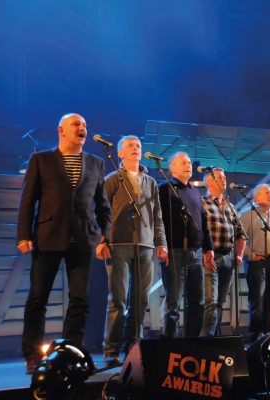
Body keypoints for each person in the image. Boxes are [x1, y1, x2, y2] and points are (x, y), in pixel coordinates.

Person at [17, 113, 112, 373]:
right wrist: (24, 235)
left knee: (80, 299)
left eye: (84, 125)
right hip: (48, 236)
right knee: (38, 298)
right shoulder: (41, 160)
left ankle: (71, 353)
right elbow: (28, 201)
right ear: (61, 130)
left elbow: (103, 206)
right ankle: (32, 355)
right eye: (76, 125)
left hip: (83, 238)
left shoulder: (96, 162)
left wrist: (104, 235)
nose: (82, 128)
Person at [103, 135, 168, 366]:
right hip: (118, 244)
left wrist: (161, 243)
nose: (136, 149)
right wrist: (102, 239)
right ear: (120, 153)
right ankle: (111, 349)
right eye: (130, 146)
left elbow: (157, 216)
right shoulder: (112, 179)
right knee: (118, 299)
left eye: (138, 146)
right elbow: (100, 212)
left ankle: (134, 346)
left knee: (140, 300)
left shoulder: (150, 182)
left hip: (146, 245)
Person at [159, 152, 215, 339]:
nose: (188, 165)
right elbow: (159, 221)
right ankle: (169, 344)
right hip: (174, 251)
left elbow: (204, 223)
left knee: (197, 301)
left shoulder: (194, 191)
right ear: (172, 167)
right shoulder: (164, 189)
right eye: (183, 162)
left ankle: (192, 342)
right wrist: (162, 245)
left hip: (195, 253)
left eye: (190, 162)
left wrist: (208, 249)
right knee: (173, 302)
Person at [200, 168, 247, 336]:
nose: (224, 179)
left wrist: (240, 255)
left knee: (220, 302)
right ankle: (206, 340)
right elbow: (198, 232)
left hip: (228, 258)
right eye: (220, 177)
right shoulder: (202, 202)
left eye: (225, 176)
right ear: (209, 181)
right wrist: (205, 251)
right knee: (211, 302)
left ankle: (215, 338)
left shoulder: (231, 207)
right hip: (210, 257)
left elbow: (241, 234)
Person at [240, 184, 270, 339]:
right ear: (256, 197)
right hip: (256, 262)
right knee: (258, 301)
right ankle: (256, 335)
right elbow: (239, 239)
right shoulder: (248, 215)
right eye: (267, 192)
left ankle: (268, 333)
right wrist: (250, 255)